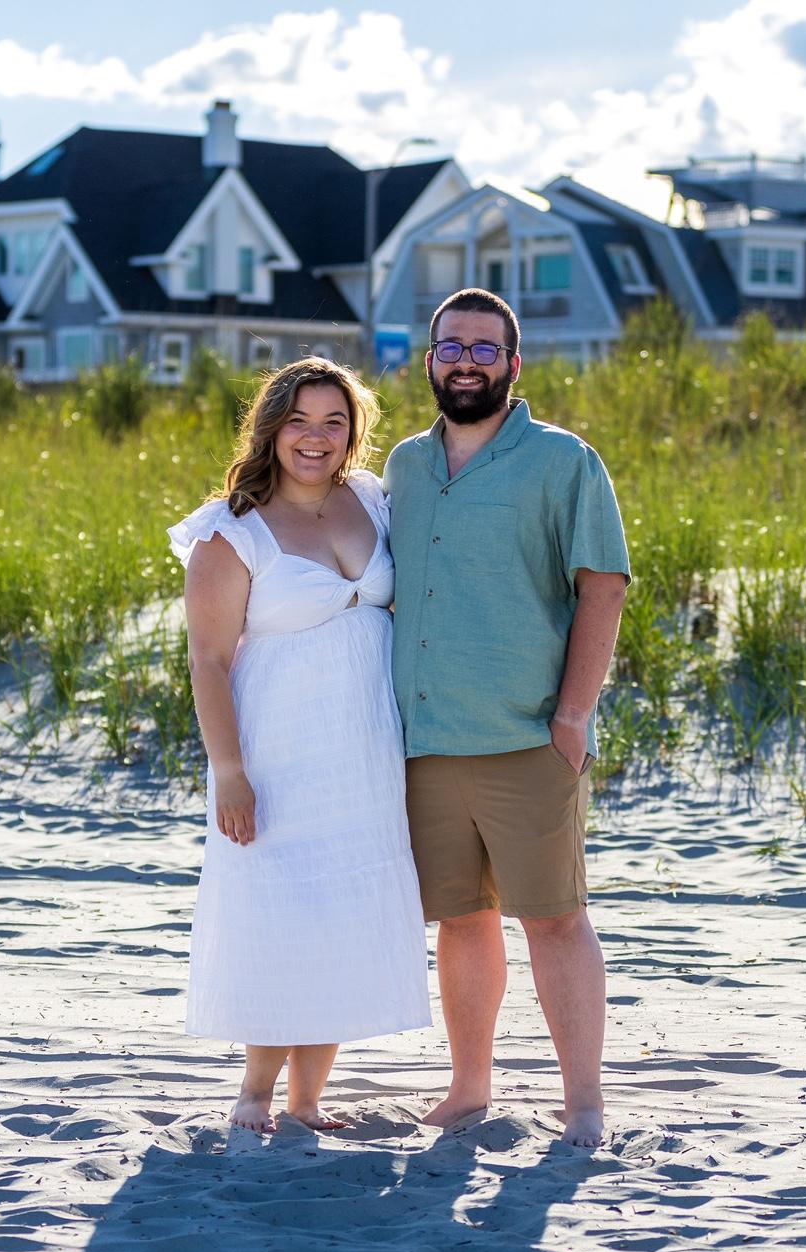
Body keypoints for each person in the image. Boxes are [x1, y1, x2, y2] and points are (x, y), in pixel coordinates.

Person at [385, 289, 631, 1149]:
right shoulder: (404, 467)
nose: (466, 363)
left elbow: (604, 585)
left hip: (529, 737)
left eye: (485, 349)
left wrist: (573, 716)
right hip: (425, 743)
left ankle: (584, 1104)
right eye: (451, 347)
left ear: (513, 365)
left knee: (555, 919)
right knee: (462, 920)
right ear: (429, 362)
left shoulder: (564, 461)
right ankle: (469, 1089)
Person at [170, 357, 431, 1134]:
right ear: (271, 428)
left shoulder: (373, 500)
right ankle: (255, 1094)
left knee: (345, 914)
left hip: (365, 754)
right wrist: (230, 772)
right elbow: (208, 661)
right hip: (276, 752)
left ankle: (307, 1100)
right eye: (299, 421)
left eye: (333, 422)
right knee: (280, 914)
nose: (315, 438)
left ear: (353, 432)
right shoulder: (232, 529)